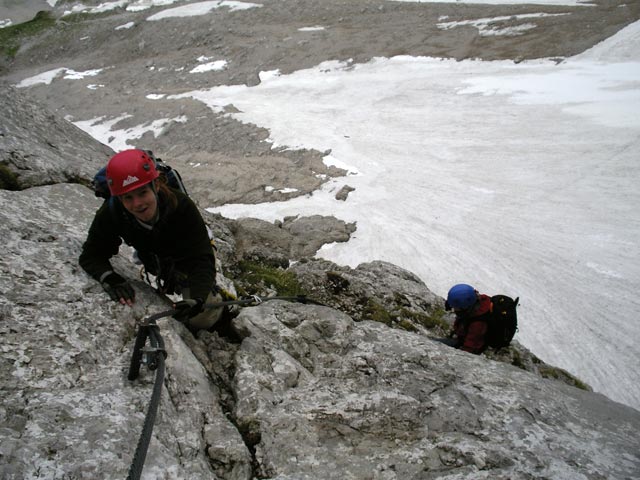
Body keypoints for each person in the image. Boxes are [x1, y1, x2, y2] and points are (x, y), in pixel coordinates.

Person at [79, 149, 222, 331]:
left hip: (187, 257)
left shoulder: (180, 205)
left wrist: (198, 298)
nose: (137, 203)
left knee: (203, 319)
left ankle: (223, 318)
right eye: (128, 197)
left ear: (156, 185)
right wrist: (110, 278)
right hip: (157, 260)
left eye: (142, 192)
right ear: (119, 198)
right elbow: (91, 254)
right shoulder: (112, 212)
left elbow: (201, 258)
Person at [445, 283, 492, 354]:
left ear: (465, 307)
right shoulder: (473, 299)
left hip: (470, 343)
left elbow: (470, 346)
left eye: (456, 308)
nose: (454, 309)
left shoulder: (478, 324)